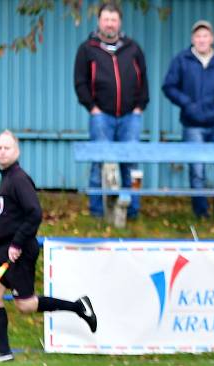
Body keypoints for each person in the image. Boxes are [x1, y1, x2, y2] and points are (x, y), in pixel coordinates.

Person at [0, 130, 97, 363]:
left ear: (17, 151)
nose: (2, 152)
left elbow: (35, 213)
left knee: (25, 305)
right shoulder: (6, 178)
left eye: (7, 148)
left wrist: (16, 242)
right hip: (6, 248)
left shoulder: (19, 179)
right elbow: (12, 213)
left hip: (19, 251)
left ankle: (78, 307)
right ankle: (3, 351)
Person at [73, 2, 149, 219]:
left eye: (113, 20)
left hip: (130, 116)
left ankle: (132, 210)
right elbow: (80, 82)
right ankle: (97, 211)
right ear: (99, 21)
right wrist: (92, 108)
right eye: (106, 19)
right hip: (101, 116)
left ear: (120, 22)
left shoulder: (133, 48)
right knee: (100, 162)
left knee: (131, 163)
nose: (109, 24)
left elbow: (144, 80)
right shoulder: (87, 49)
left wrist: (139, 108)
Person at [162, 19, 214, 220]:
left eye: (205, 35)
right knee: (197, 171)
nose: (202, 39)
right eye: (198, 36)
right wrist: (187, 104)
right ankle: (201, 214)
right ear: (193, 39)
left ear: (212, 38)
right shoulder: (182, 59)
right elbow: (168, 86)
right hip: (192, 124)